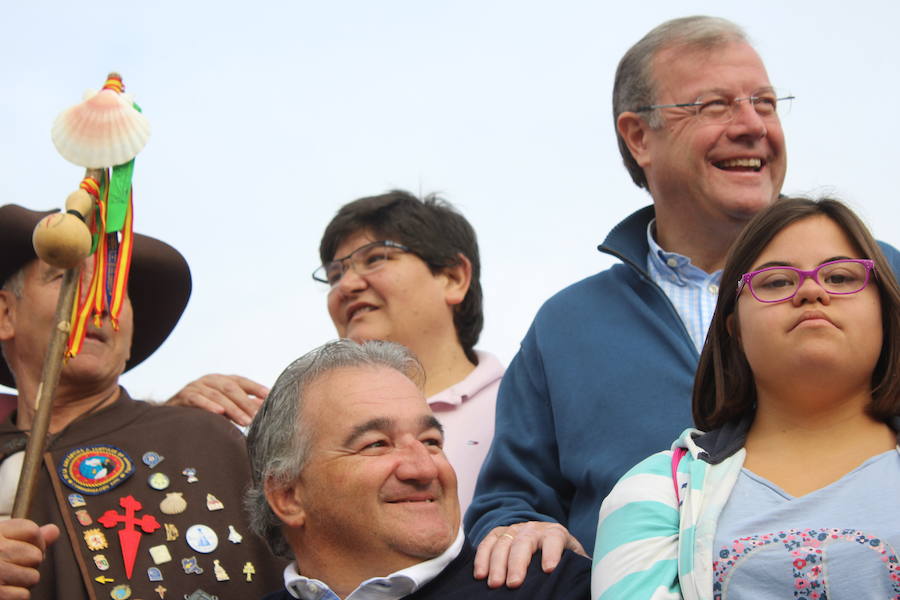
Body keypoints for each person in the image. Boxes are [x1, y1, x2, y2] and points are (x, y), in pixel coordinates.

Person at [464, 15, 900, 589]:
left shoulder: (884, 276)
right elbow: (509, 504)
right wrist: (522, 528)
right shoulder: (566, 327)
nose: (752, 126)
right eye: (715, 106)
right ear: (639, 137)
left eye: (765, 103)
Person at [592, 196, 900, 599]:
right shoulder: (656, 492)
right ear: (734, 329)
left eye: (840, 277)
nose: (811, 291)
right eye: (776, 282)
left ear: (885, 310)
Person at [0, 204, 284, 599]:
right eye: (66, 278)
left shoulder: (206, 442)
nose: (98, 303)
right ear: (5, 314)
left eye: (113, 290)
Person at [172, 191, 503, 510]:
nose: (346, 286)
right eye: (335, 275)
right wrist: (172, 422)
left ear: (452, 277)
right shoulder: (299, 420)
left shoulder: (522, 402)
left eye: (375, 259)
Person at [246, 338, 590, 599]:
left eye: (430, 441)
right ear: (288, 496)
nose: (423, 469)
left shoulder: (559, 587)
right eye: (377, 444)